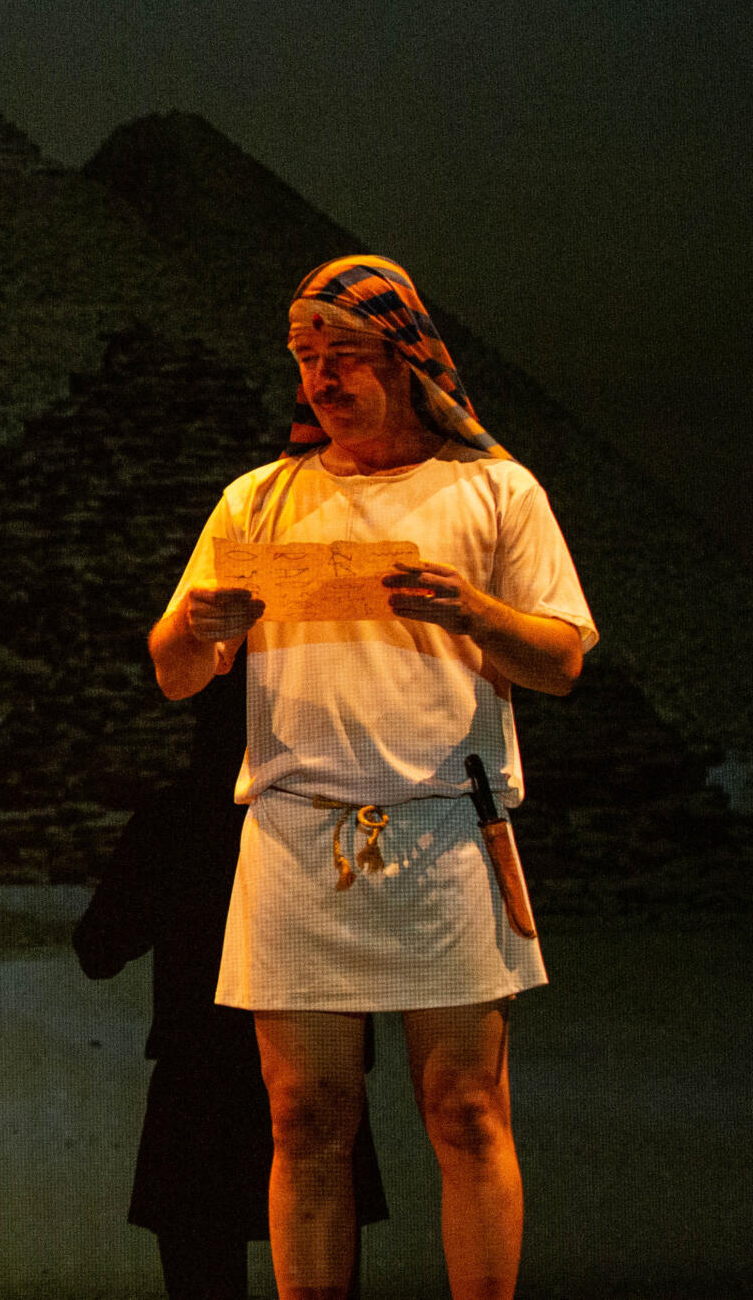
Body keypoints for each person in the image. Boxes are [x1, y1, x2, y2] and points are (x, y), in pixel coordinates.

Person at [147, 257, 594, 1300]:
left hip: (446, 830)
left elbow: (562, 661)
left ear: (408, 358)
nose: (319, 378)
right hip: (299, 834)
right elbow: (173, 672)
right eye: (304, 358)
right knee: (304, 1117)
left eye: (341, 354)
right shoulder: (258, 501)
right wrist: (196, 626)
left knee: (465, 1110)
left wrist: (472, 611)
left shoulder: (494, 491)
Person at [76, 661, 388, 1300]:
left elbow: (99, 949)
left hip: (200, 1078)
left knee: (204, 1272)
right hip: (317, 1063)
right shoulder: (334, 815)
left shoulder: (173, 818)